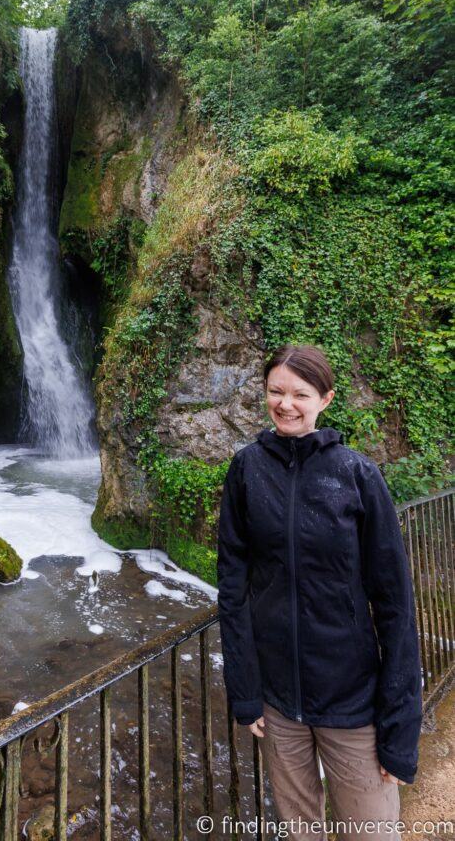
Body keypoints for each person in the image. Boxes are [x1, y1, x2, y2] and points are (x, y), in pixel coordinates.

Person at [217, 344, 422, 840]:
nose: (285, 404)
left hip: (352, 700)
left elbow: (394, 605)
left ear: (325, 399)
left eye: (300, 394)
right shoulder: (247, 470)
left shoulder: (356, 474)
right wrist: (246, 693)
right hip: (278, 703)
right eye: (275, 392)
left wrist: (400, 729)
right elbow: (233, 586)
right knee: (299, 832)